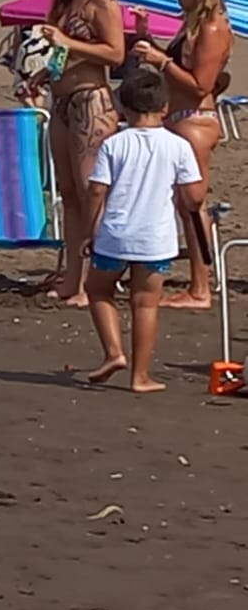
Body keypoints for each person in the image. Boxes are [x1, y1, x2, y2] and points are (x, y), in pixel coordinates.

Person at [83, 69, 204, 393]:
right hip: (155, 238)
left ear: (123, 107)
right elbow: (194, 197)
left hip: (115, 234)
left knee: (98, 290)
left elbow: (97, 190)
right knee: (146, 304)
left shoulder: (114, 144)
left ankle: (113, 352)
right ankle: (141, 376)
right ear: (165, 107)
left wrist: (89, 230)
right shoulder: (178, 146)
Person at [131, 0, 233, 310]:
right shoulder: (195, 26)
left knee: (193, 205)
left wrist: (160, 61)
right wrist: (146, 37)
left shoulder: (212, 28)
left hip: (196, 119)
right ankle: (197, 283)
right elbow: (179, 68)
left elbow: (200, 84)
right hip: (182, 118)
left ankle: (201, 288)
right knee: (186, 205)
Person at [40, 0, 126, 305]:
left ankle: (94, 281)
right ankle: (73, 279)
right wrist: (43, 73)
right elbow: (64, 54)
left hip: (91, 101)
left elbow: (116, 53)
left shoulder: (102, 0)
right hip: (62, 100)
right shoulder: (65, 1)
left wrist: (67, 41)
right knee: (69, 193)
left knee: (93, 193)